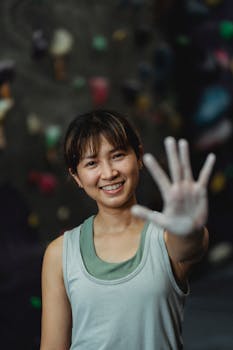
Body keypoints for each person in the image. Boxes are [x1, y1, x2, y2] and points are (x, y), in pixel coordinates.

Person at [40, 109, 216, 350]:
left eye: (118, 155)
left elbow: (190, 247)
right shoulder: (59, 254)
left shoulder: (167, 236)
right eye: (92, 163)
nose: (109, 172)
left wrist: (189, 229)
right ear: (77, 176)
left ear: (139, 156)